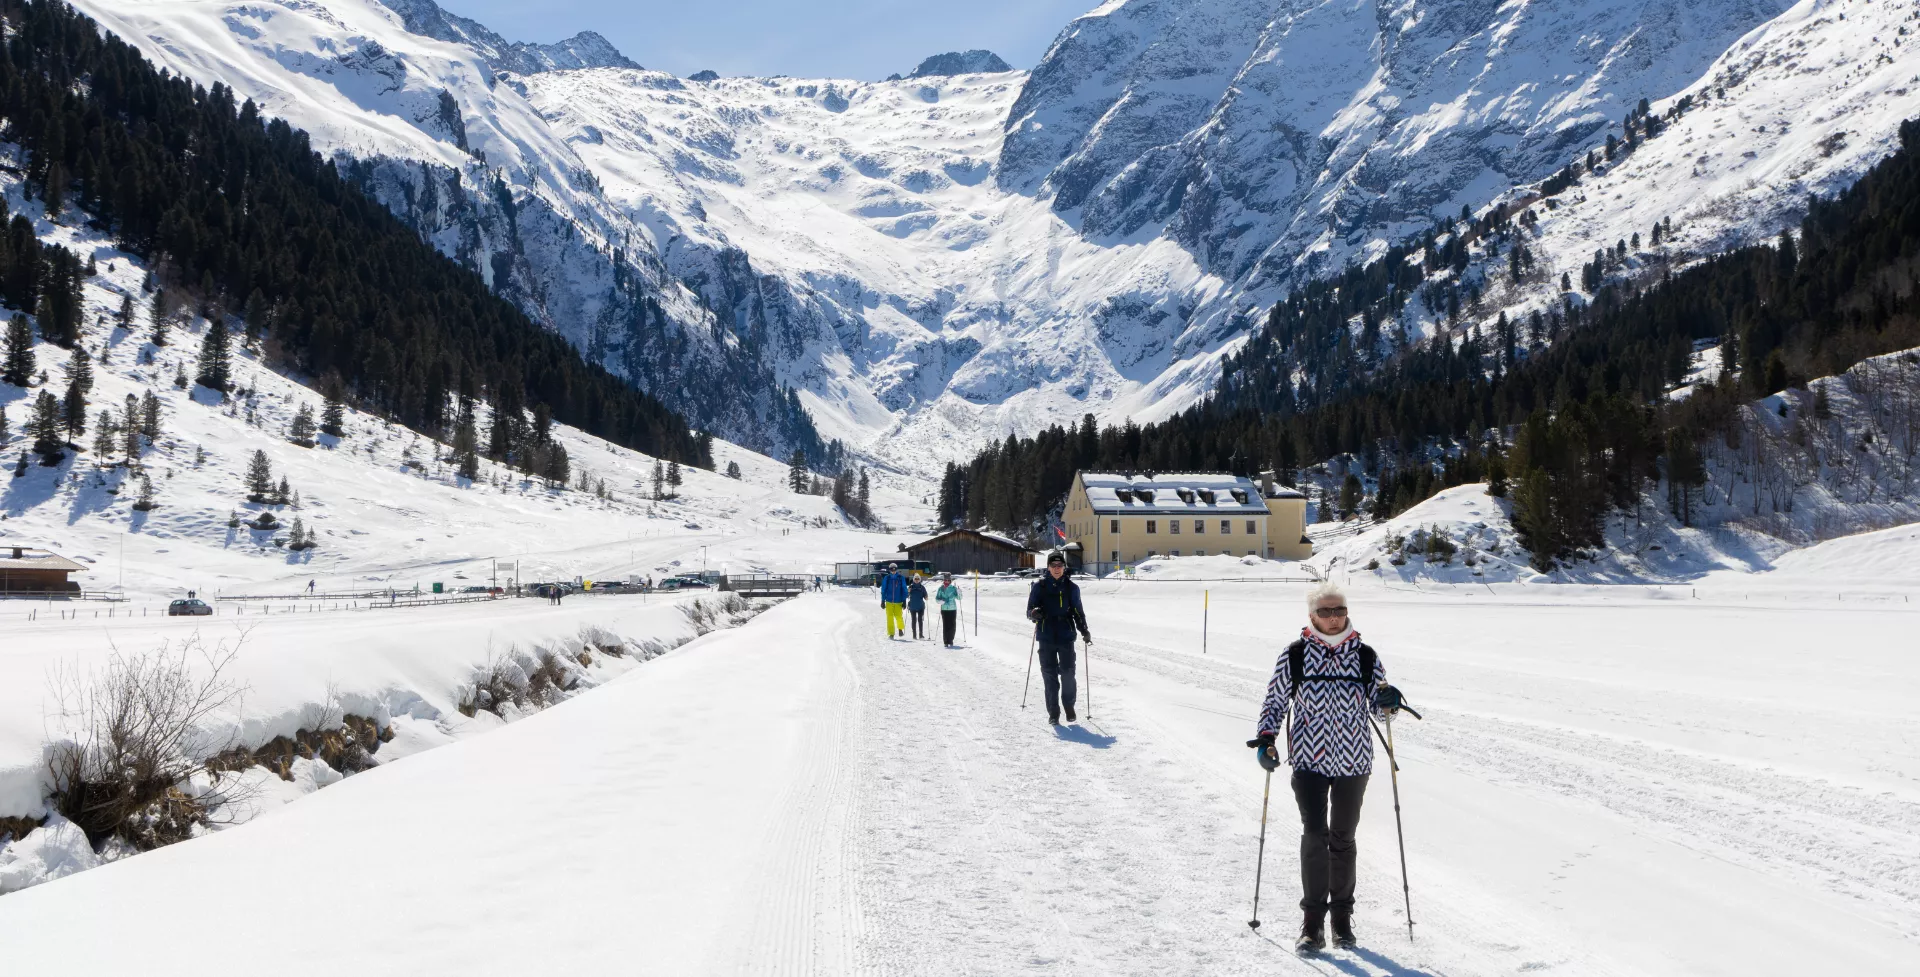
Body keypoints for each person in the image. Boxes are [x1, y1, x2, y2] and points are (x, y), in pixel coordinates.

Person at [1248, 582, 1405, 953]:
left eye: (1339, 610)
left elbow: (1380, 710)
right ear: (1312, 616)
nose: (1334, 618)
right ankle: (1312, 923)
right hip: (1309, 759)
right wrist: (1266, 738)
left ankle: (1342, 923)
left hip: (1354, 761)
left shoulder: (1366, 656)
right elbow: (1275, 700)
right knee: (1315, 836)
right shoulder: (1296, 654)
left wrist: (1388, 703)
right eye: (1326, 612)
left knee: (1343, 839)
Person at [1025, 552, 1091, 725]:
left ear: (1064, 567)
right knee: (1049, 674)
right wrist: (1034, 613)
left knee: (1068, 672)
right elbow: (1029, 610)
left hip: (1066, 635)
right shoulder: (1039, 587)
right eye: (1053, 566)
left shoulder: (1071, 588)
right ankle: (1053, 712)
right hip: (1046, 635)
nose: (1056, 569)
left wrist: (1084, 630)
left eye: (1059, 566)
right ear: (1048, 567)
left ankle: (1069, 706)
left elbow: (1078, 611)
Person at [879, 563, 909, 639]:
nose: (893, 571)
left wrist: (904, 600)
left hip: (898, 601)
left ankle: (900, 629)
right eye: (891, 569)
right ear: (889, 570)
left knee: (899, 616)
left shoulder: (900, 578)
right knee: (889, 617)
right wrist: (883, 601)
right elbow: (883, 589)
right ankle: (891, 633)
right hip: (889, 601)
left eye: (894, 569)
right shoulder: (887, 578)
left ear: (896, 569)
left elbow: (904, 589)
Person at [935, 572, 962, 646]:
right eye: (945, 580)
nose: (947, 581)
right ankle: (945, 641)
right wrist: (940, 601)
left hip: (952, 609)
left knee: (952, 625)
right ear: (944, 580)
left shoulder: (953, 588)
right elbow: (937, 598)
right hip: (944, 609)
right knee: (945, 625)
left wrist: (959, 592)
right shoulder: (941, 588)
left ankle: (951, 640)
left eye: (948, 580)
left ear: (950, 581)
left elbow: (959, 598)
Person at [907, 574, 929, 639]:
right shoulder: (910, 587)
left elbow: (925, 596)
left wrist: (926, 597)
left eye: (918, 579)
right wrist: (908, 592)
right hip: (912, 606)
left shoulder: (922, 587)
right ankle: (914, 635)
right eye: (915, 579)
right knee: (913, 620)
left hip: (920, 607)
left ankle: (921, 635)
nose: (916, 580)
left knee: (920, 620)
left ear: (920, 580)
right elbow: (906, 595)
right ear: (913, 579)